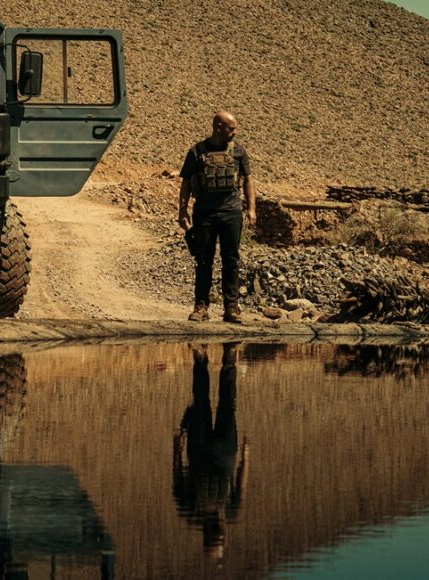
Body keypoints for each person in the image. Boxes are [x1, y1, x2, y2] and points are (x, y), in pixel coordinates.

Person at [173, 342, 250, 560]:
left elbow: (177, 477)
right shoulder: (217, 511)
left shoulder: (192, 511)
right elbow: (240, 483)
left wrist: (245, 456)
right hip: (213, 450)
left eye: (216, 537)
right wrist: (246, 456)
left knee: (216, 403)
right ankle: (215, 357)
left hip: (211, 450)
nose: (219, 533)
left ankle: (214, 357)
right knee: (213, 403)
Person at [178, 112, 257, 323]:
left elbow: (248, 179)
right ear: (218, 127)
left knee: (231, 260)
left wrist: (251, 208)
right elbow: (186, 182)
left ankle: (231, 308)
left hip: (231, 212)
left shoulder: (239, 151)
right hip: (204, 213)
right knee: (204, 260)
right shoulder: (197, 151)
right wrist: (182, 210)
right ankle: (201, 307)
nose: (235, 132)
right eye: (231, 128)